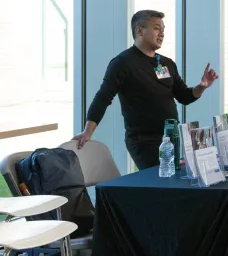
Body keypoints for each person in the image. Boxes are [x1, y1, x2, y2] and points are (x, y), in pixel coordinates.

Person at [72, 10, 218, 170]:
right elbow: (103, 98)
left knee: (171, 186)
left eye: (163, 29)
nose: (162, 33)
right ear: (139, 31)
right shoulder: (122, 63)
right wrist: (87, 132)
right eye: (156, 28)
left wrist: (202, 86)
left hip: (171, 137)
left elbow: (184, 96)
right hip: (143, 141)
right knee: (160, 185)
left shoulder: (165, 63)